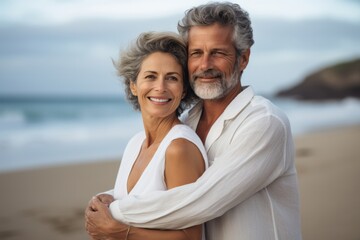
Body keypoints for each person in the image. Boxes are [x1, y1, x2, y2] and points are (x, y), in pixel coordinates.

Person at [86, 2, 302, 240]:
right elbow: (160, 186)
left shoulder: (264, 123)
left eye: (218, 53)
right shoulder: (187, 122)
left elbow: (202, 199)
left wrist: (114, 214)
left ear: (243, 59)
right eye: (196, 53)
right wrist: (108, 197)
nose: (205, 65)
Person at [85, 31, 209, 240]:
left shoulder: (179, 148)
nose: (160, 87)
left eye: (172, 78)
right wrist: (111, 200)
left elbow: (191, 236)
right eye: (151, 76)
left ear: (184, 90)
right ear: (133, 85)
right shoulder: (135, 144)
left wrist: (120, 232)